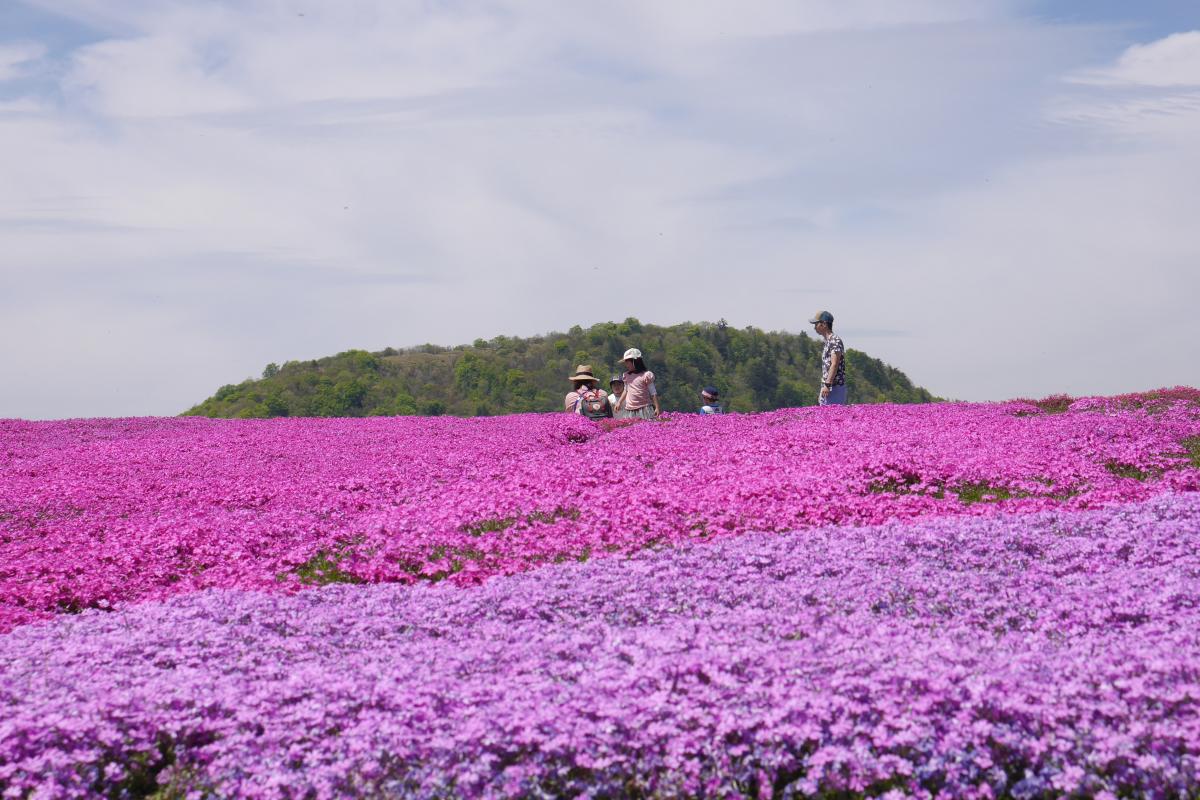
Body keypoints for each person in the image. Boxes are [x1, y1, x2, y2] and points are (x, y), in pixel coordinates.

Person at [809, 310, 847, 406]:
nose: (814, 327)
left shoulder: (835, 341)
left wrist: (827, 385)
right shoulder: (828, 341)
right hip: (828, 387)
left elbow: (834, 364)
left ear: (824, 324)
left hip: (834, 387)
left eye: (816, 324)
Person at [613, 348, 660, 419]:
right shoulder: (626, 375)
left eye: (627, 362)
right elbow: (626, 390)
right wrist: (619, 402)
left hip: (644, 408)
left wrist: (657, 407)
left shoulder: (646, 375)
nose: (626, 364)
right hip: (630, 409)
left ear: (635, 361)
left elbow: (653, 392)